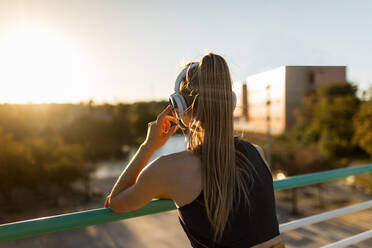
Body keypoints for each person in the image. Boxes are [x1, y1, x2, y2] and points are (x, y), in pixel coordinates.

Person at [104, 53, 284, 248]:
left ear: (179, 107)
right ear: (229, 102)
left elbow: (115, 202)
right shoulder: (257, 152)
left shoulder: (169, 170)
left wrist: (148, 146)